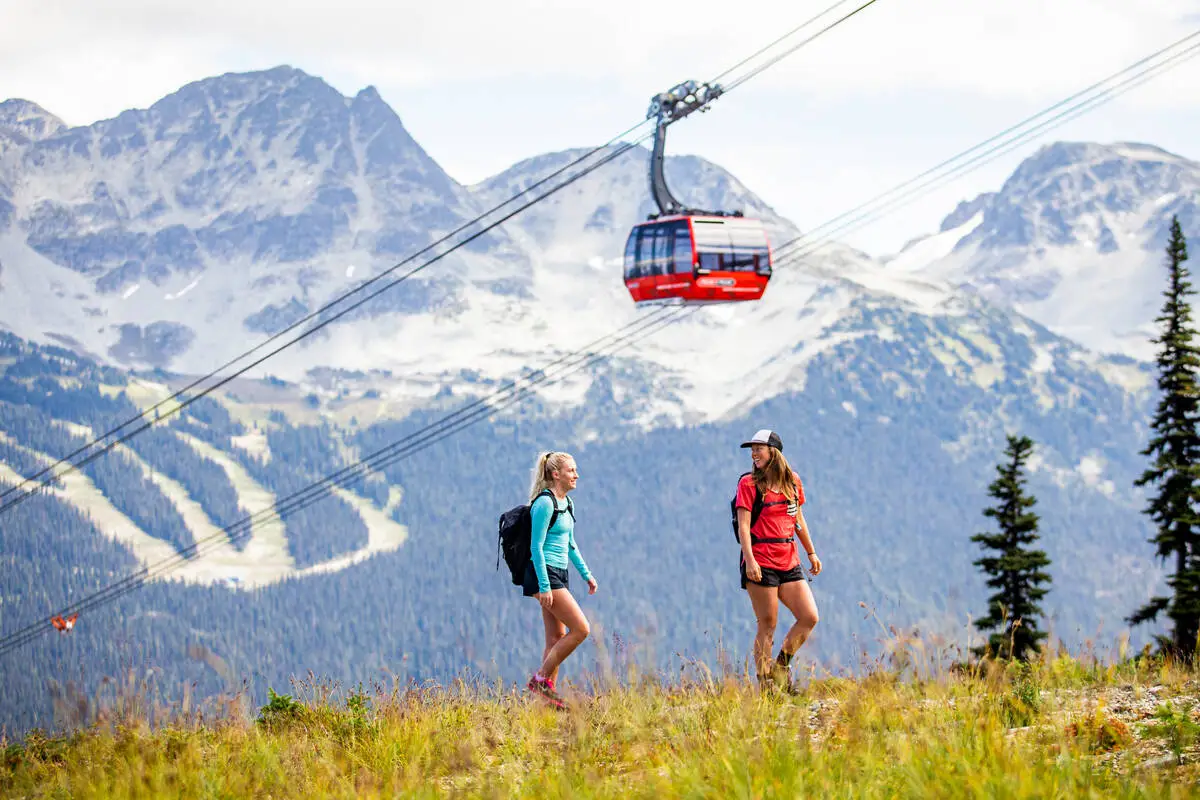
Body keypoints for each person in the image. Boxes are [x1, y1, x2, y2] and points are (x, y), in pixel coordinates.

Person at [734, 429, 822, 690]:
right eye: (752, 450)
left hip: (789, 559)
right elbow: (744, 526)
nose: (754, 454)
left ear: (773, 452)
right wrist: (750, 561)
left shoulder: (792, 482)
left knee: (809, 616)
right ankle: (766, 686)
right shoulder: (748, 484)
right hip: (761, 561)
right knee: (768, 624)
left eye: (758, 449)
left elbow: (798, 518)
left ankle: (780, 668)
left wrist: (811, 552)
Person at [523, 450, 597, 709]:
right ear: (556, 474)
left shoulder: (567, 503)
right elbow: (536, 546)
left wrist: (586, 575)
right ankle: (540, 680)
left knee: (556, 638)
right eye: (571, 470)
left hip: (559, 573)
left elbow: (570, 544)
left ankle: (546, 701)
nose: (576, 475)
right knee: (581, 629)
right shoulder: (545, 503)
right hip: (543, 573)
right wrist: (544, 586)